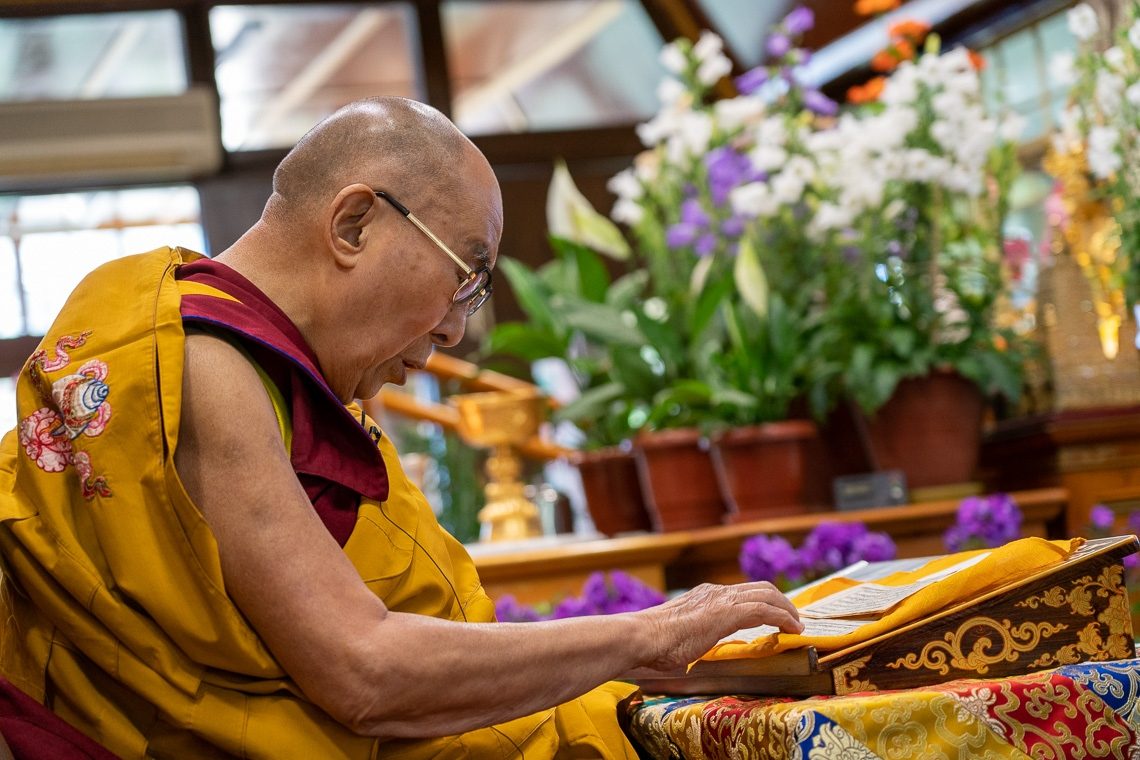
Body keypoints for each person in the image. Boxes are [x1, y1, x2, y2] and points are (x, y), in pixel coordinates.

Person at [0, 97, 802, 758]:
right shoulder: (200, 365)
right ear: (353, 225)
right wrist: (646, 636)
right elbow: (364, 671)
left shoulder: (280, 377)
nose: (455, 329)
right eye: (467, 275)